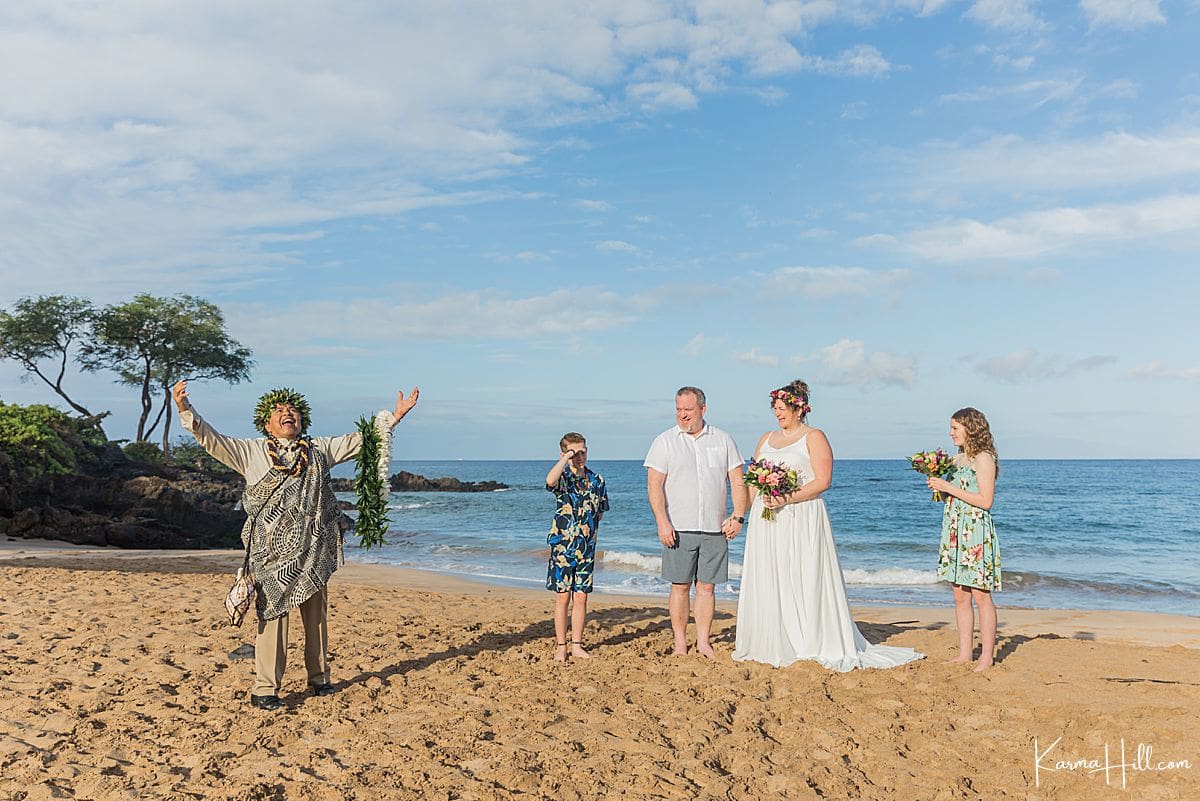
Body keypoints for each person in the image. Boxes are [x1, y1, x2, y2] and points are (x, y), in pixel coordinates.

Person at [172, 379, 419, 710]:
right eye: (280, 411)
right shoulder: (251, 452)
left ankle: (319, 680)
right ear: (267, 423)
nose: (288, 414)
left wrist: (395, 416)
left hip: (313, 550)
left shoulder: (319, 450)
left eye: (293, 411)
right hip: (269, 555)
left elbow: (362, 441)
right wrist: (184, 408)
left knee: (316, 621)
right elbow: (210, 440)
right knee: (272, 618)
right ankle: (265, 688)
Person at [733, 380, 923, 671]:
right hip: (766, 520)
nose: (778, 414)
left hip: (801, 516)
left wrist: (786, 498)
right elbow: (752, 483)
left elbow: (823, 481)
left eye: (782, 409)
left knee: (802, 573)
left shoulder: (814, 436)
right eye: (775, 409)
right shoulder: (765, 439)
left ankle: (809, 638)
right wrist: (739, 515)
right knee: (771, 572)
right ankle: (774, 636)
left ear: (799, 408)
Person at [645, 386, 748, 659]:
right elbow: (654, 485)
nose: (682, 415)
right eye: (678, 410)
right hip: (678, 527)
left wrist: (738, 516)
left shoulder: (723, 439)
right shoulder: (665, 441)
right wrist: (662, 522)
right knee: (679, 587)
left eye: (688, 410)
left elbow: (738, 481)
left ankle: (703, 641)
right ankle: (680, 642)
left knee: (706, 587)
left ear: (703, 409)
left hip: (715, 528)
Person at [925, 407, 1001, 672]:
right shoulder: (958, 459)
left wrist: (948, 487)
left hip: (975, 530)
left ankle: (987, 657)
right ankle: (965, 653)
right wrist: (940, 489)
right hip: (955, 529)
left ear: (971, 428)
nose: (951, 433)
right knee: (959, 595)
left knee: (981, 595)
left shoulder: (984, 458)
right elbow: (956, 495)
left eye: (955, 428)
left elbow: (986, 501)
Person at [544, 432, 609, 662]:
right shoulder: (563, 479)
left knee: (581, 598)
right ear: (565, 454)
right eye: (575, 452)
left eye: (583, 451)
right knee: (563, 598)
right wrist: (566, 458)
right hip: (562, 548)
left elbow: (600, 512)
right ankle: (561, 646)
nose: (580, 456)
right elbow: (550, 481)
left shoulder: (597, 480)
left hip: (587, 549)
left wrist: (589, 537)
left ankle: (577, 645)